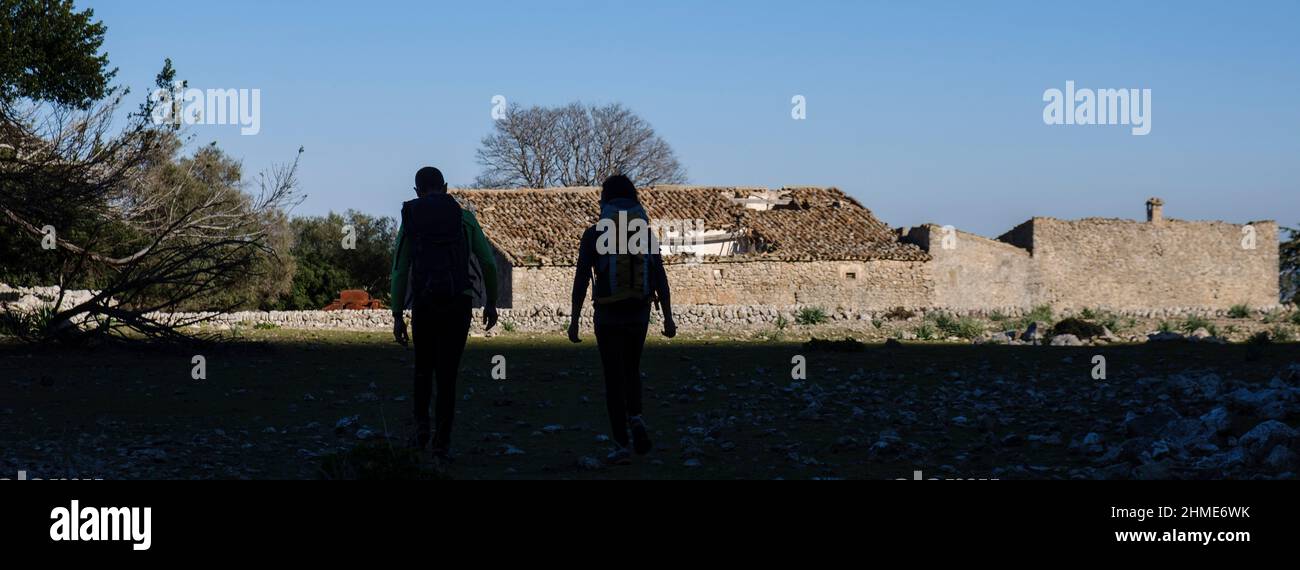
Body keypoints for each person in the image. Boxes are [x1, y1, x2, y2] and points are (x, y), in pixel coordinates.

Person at [568, 175, 676, 465]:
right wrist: (668, 318)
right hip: (639, 315)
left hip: (607, 316)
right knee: (632, 368)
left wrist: (574, 319)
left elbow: (581, 279)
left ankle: (620, 444)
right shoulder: (646, 234)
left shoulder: (594, 235)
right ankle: (637, 417)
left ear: (605, 200)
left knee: (612, 377)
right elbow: (660, 278)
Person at [392, 166, 498, 459]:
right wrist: (491, 302)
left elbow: (400, 269)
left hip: (425, 303)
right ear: (446, 187)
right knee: (448, 374)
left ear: (417, 191)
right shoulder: (464, 217)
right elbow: (488, 262)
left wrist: (397, 313)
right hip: (458, 302)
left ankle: (421, 429)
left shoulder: (411, 217)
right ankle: (442, 441)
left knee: (423, 369)